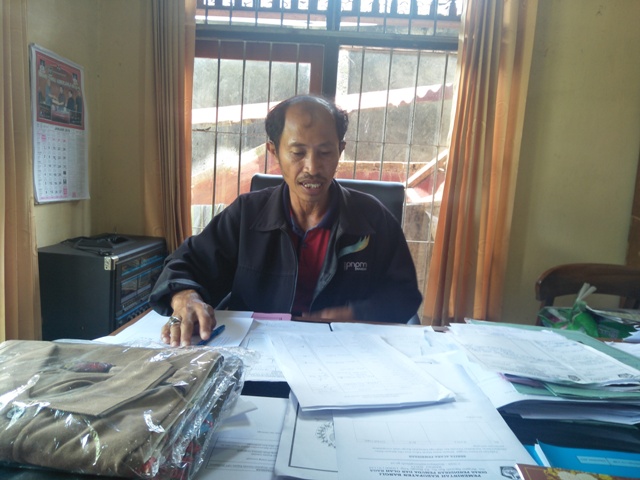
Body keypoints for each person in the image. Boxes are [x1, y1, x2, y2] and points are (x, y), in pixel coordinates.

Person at [149, 94, 422, 347]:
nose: (312, 168)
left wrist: (354, 314)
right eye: (298, 152)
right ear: (274, 151)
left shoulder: (373, 219)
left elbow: (405, 295)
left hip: (344, 352)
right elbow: (184, 265)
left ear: (340, 150)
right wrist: (185, 297)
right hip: (257, 352)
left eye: (325, 152)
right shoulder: (247, 214)